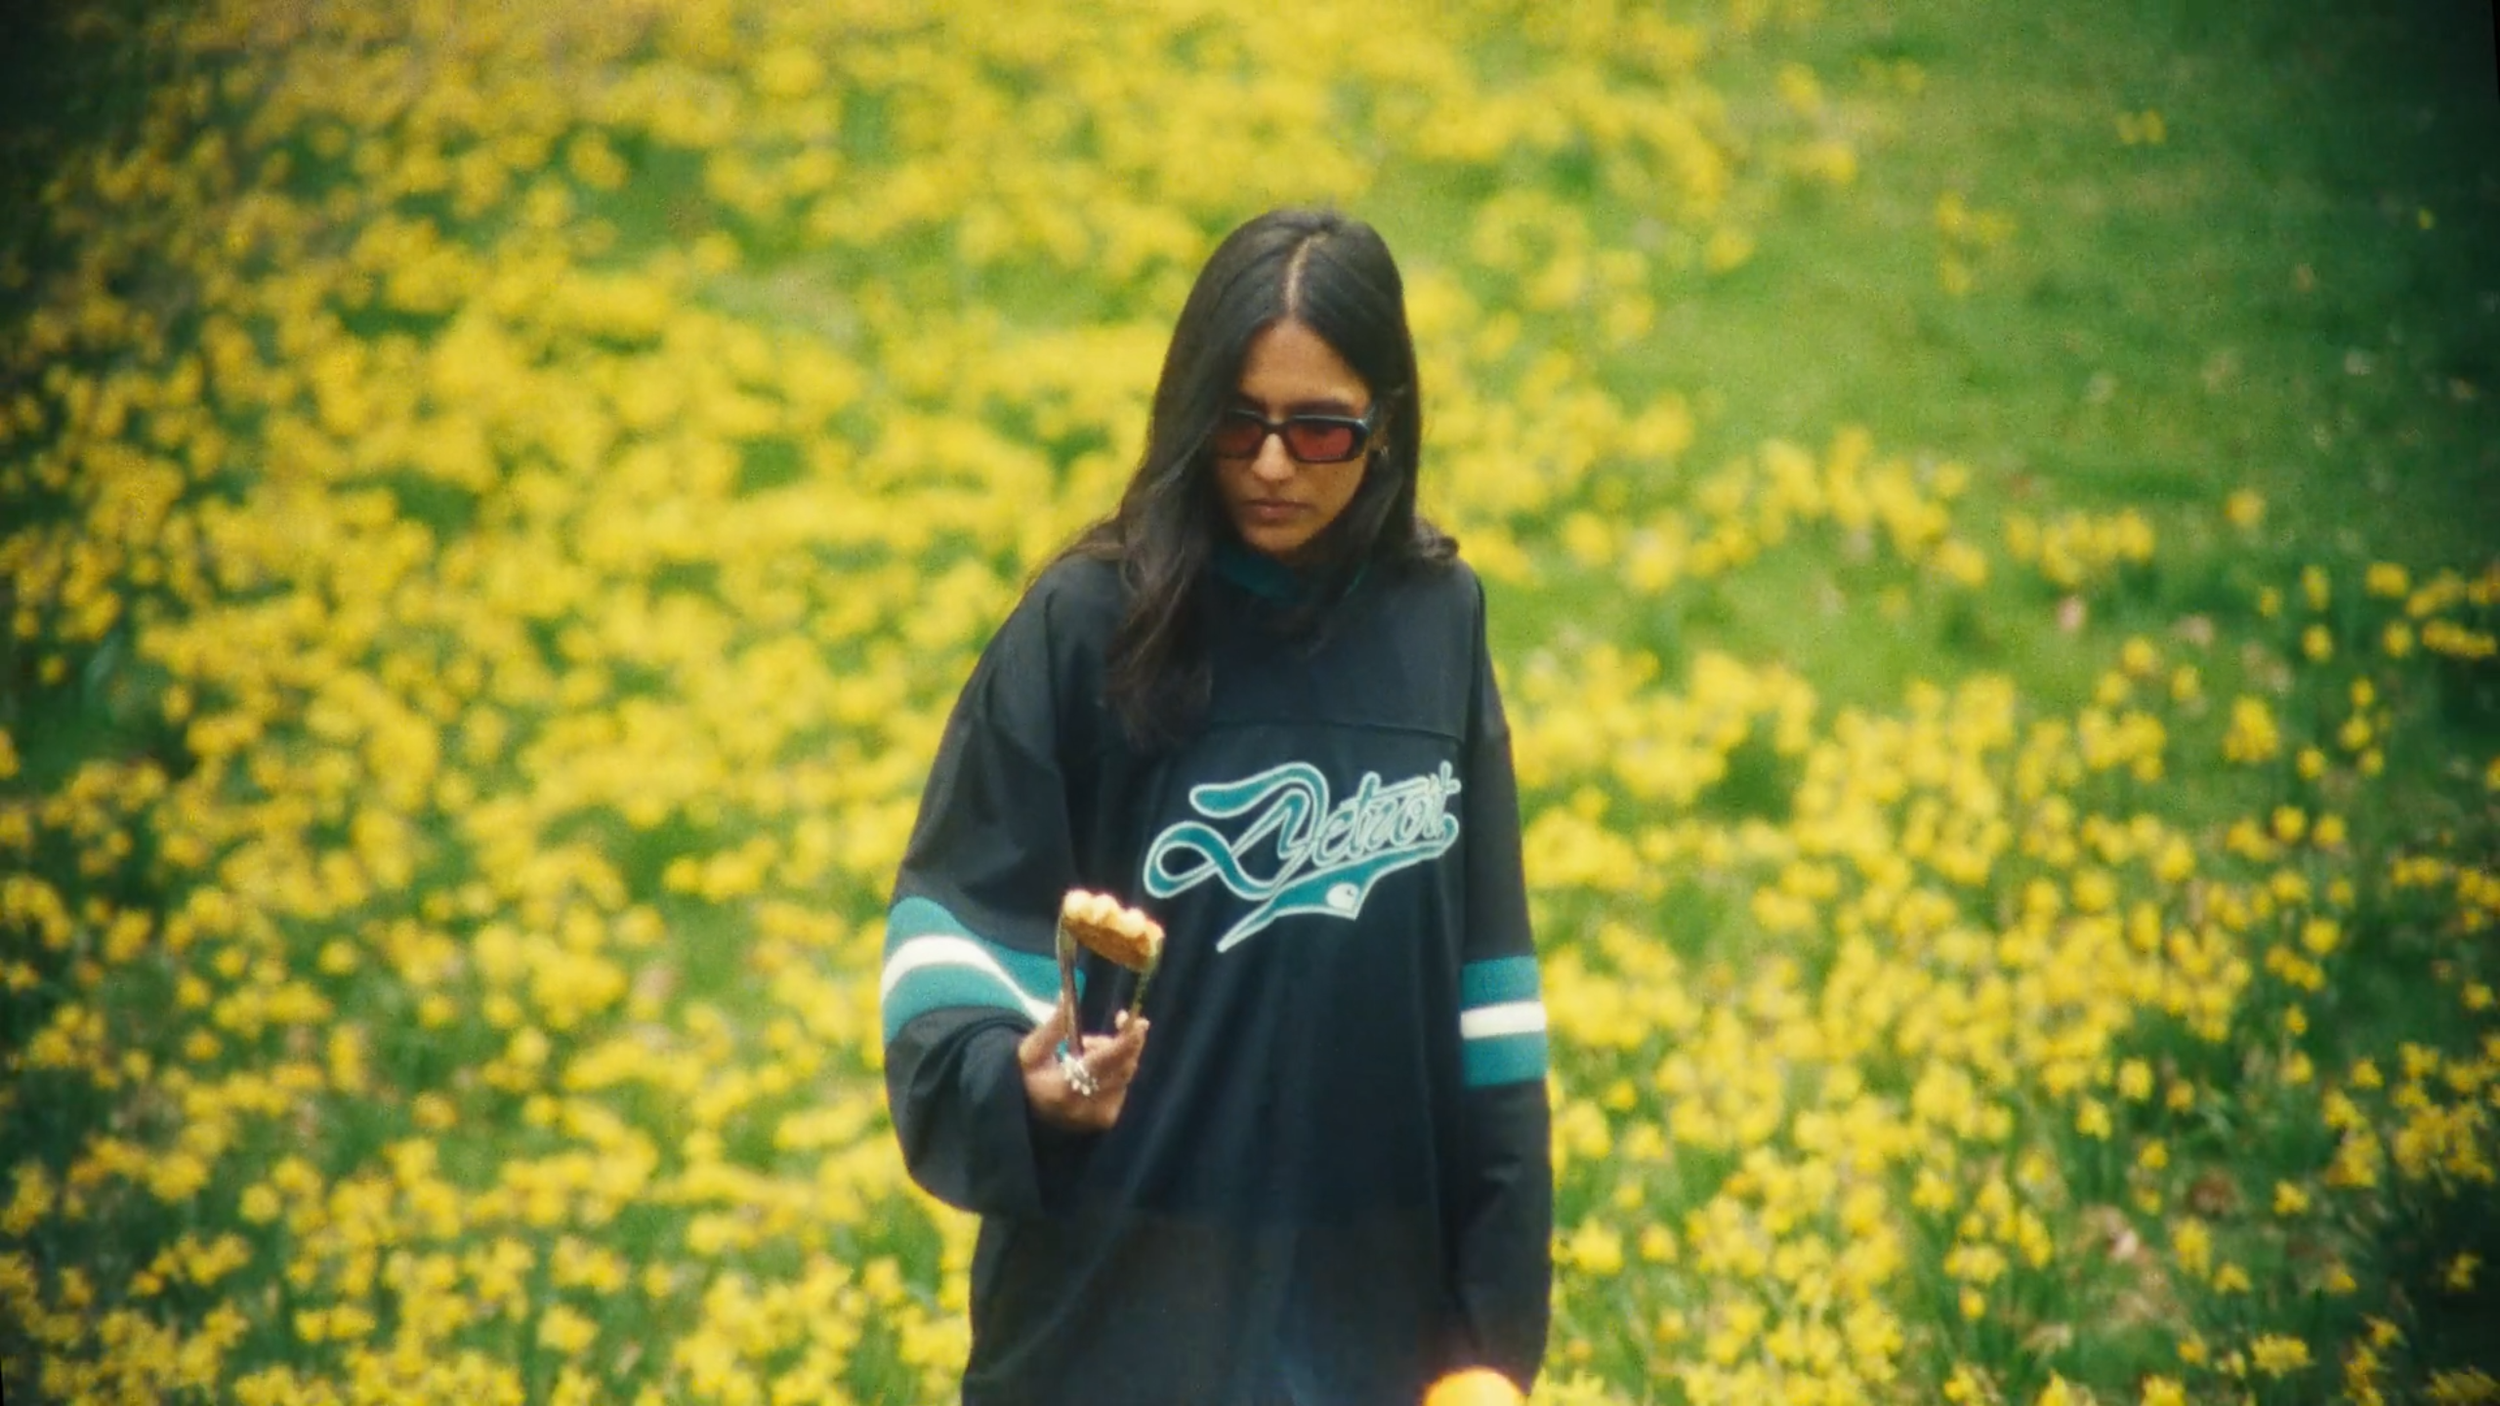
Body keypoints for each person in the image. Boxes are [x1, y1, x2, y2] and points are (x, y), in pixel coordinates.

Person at [881, 206, 1551, 1406]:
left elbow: (1489, 997)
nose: (1273, 464)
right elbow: (949, 933)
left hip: (1374, 1310)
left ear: (1386, 423)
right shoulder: (1086, 624)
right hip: (1119, 1305)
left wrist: (1492, 1331)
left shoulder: (1437, 622)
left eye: (1320, 429)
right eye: (1238, 423)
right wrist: (1013, 1080)